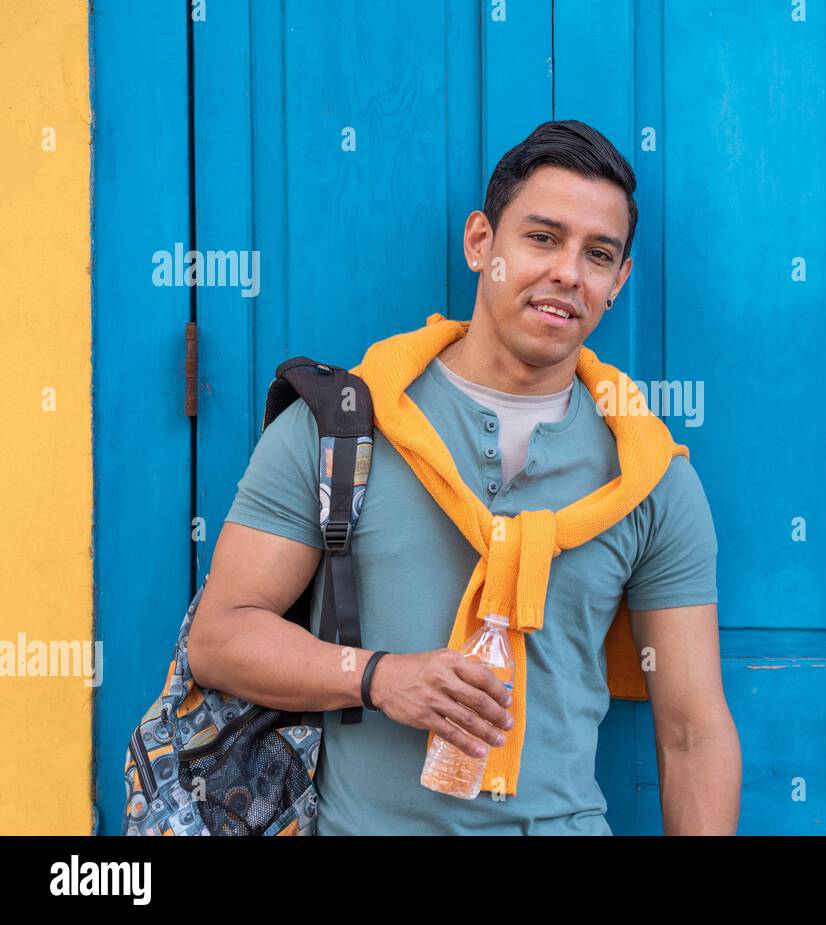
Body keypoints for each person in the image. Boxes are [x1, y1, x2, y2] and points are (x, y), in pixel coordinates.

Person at [187, 120, 741, 834]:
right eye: (542, 237)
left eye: (597, 254)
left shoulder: (649, 478)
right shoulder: (340, 427)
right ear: (481, 242)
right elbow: (221, 638)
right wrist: (380, 676)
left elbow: (693, 730)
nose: (568, 272)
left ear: (618, 281)